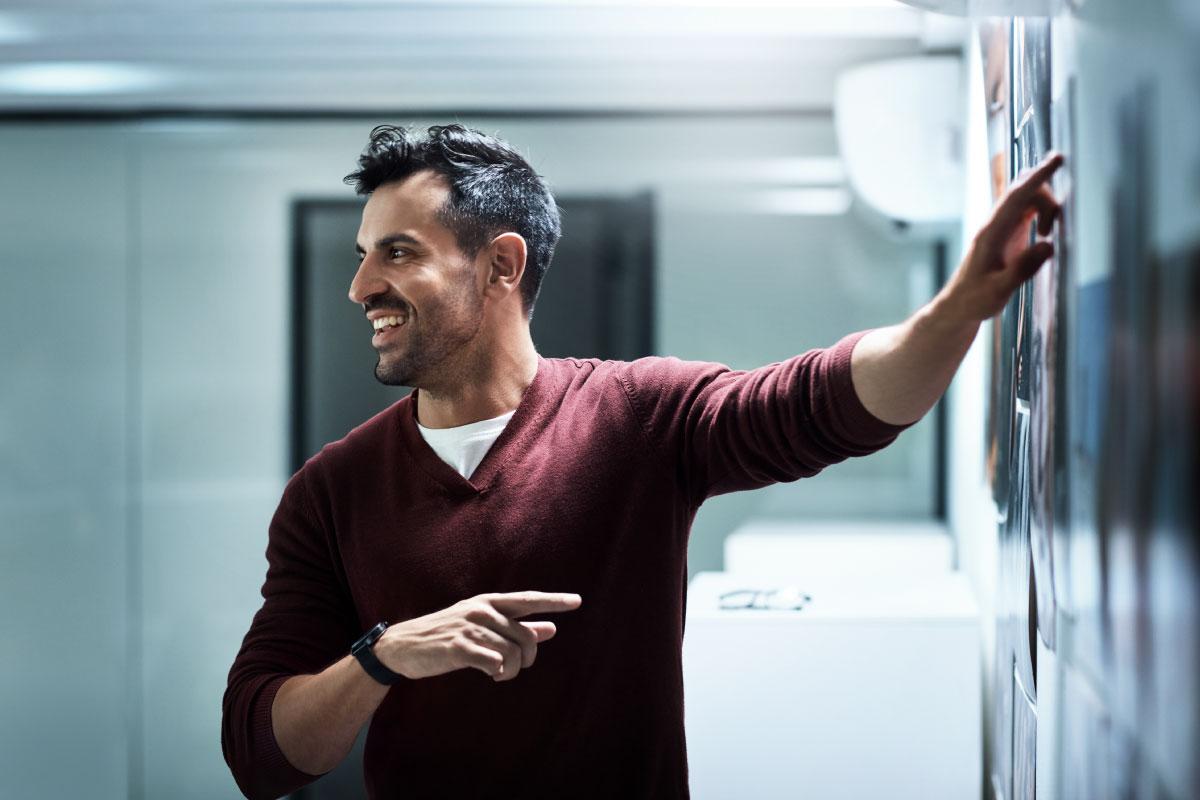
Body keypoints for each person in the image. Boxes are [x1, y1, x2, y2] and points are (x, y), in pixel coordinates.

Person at [221, 123, 1063, 800]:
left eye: (397, 252)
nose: (360, 285)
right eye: (362, 254)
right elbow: (263, 752)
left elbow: (826, 406)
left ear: (502, 265)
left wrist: (958, 312)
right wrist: (384, 654)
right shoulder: (332, 492)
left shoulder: (638, 417)